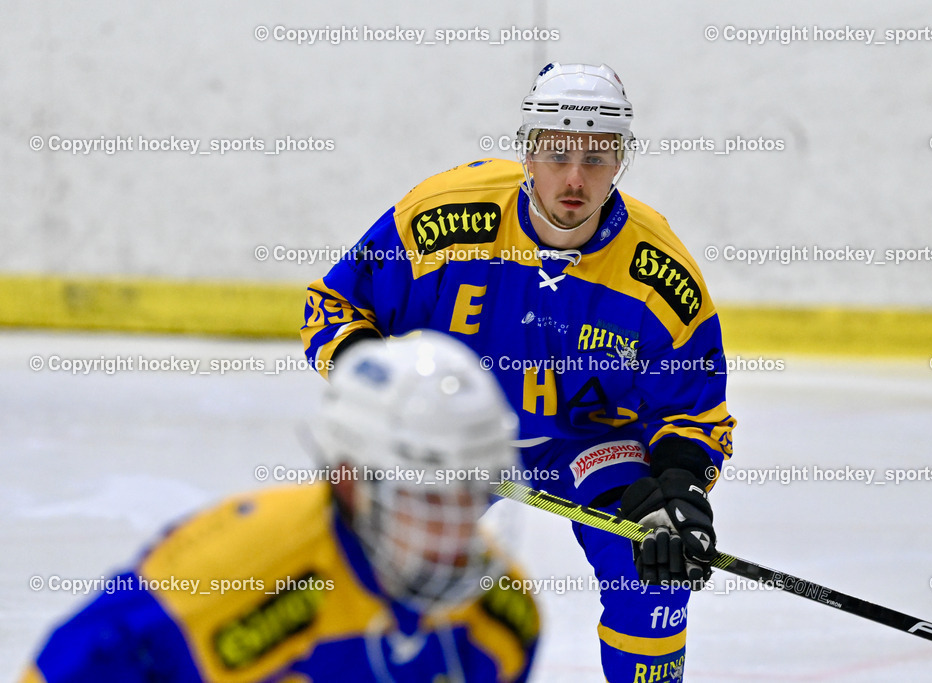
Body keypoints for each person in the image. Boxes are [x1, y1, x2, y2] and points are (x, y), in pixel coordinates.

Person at [302, 62, 736, 682]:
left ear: (622, 161)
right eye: (556, 153)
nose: (574, 178)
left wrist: (680, 491)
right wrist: (385, 393)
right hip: (453, 434)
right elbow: (332, 308)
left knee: (652, 577)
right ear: (527, 152)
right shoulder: (442, 220)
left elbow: (694, 415)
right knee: (366, 562)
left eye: (597, 156)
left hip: (591, 445)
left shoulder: (658, 274)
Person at [20, 332, 539, 682]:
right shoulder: (233, 577)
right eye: (427, 497)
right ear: (350, 482)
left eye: (471, 493)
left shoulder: (505, 616)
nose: (456, 536)